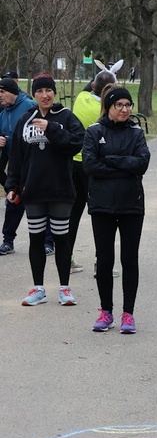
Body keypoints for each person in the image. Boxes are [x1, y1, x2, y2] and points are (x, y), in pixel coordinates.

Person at [5, 73, 85, 306]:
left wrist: (51, 128)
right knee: (36, 239)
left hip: (60, 190)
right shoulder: (26, 119)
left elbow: (76, 143)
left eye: (48, 90)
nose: (45, 95)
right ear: (34, 94)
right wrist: (12, 185)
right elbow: (16, 157)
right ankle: (38, 289)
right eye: (39, 91)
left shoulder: (66, 117)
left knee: (61, 239)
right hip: (33, 191)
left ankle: (64, 288)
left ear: (54, 92)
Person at [82, 85, 151, 334]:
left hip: (131, 205)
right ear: (108, 106)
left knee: (129, 259)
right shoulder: (94, 132)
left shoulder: (136, 133)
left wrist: (110, 160)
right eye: (119, 105)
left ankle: (128, 314)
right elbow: (90, 165)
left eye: (128, 105)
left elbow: (142, 163)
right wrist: (124, 166)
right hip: (102, 206)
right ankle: (106, 311)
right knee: (104, 259)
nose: (124, 109)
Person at [72, 70, 122, 276]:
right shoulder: (104, 112)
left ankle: (67, 258)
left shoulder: (81, 98)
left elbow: (91, 87)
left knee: (73, 214)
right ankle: (100, 262)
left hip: (75, 162)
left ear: (93, 86)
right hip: (94, 167)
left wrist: (105, 73)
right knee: (101, 216)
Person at [0, 76, 37, 255]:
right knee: (13, 200)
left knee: (39, 204)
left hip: (33, 164)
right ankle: (8, 241)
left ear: (12, 92)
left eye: (2, 92)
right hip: (15, 165)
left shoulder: (29, 106)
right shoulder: (3, 113)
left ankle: (48, 242)